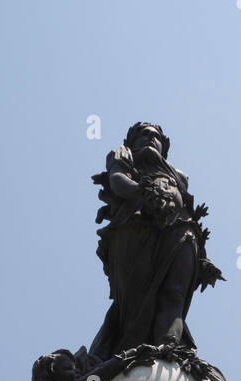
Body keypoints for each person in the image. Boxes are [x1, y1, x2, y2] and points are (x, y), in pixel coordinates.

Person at [89, 122, 223, 358]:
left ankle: (169, 350)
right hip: (136, 227)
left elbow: (188, 208)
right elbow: (118, 180)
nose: (150, 139)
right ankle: (127, 355)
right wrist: (145, 192)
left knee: (174, 294)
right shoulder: (123, 155)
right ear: (132, 141)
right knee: (134, 305)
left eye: (155, 136)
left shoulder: (179, 176)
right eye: (143, 135)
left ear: (164, 145)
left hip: (181, 231)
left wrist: (203, 258)